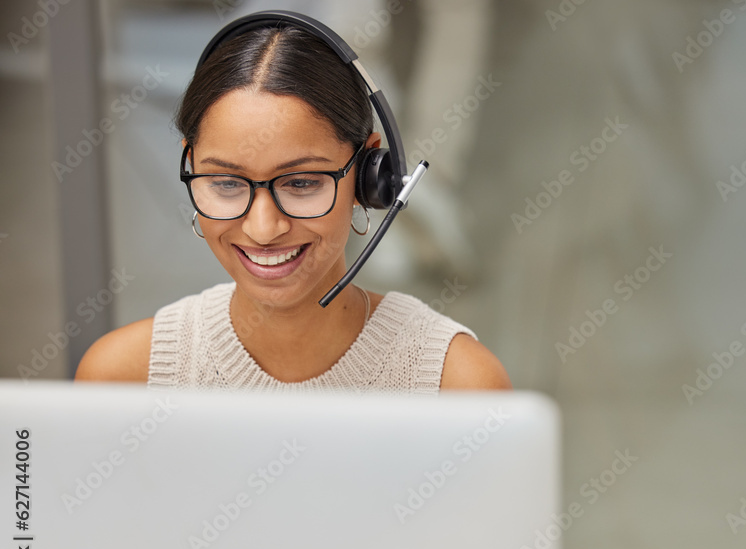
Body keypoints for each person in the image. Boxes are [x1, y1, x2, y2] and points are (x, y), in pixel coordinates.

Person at [75, 21, 510, 392]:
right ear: (190, 165)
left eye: (301, 182)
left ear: (368, 175)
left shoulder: (456, 384)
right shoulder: (123, 376)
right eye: (227, 182)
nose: (264, 229)